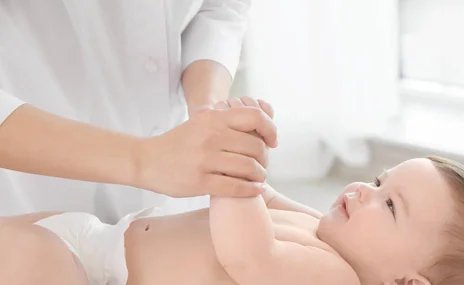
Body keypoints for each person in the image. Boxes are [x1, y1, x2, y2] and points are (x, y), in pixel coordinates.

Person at [0, 100, 464, 285]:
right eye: (380, 179)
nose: (363, 189)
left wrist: (233, 172)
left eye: (389, 204)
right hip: (91, 243)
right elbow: (263, 195)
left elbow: (247, 256)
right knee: (23, 240)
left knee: (25, 259)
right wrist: (243, 140)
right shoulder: (318, 230)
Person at [0, 1, 269, 223]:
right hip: (26, 192)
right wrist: (145, 159)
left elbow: (218, 9)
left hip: (171, 202)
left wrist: (208, 112)